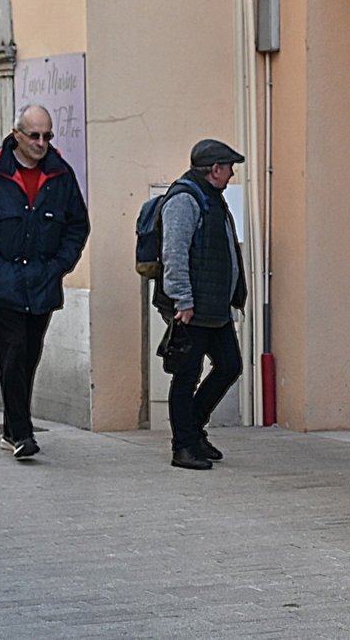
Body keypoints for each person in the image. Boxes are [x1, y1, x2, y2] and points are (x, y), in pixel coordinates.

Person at [0, 104, 90, 460]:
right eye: (34, 136)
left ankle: (11, 429)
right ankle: (23, 434)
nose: (41, 143)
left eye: (47, 136)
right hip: (4, 285)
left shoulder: (60, 175)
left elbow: (77, 226)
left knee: (28, 356)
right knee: (12, 352)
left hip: (42, 282)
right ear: (17, 135)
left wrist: (58, 266)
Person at [151, 139, 248, 470]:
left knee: (229, 365)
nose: (232, 173)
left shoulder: (211, 197)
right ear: (215, 169)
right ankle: (183, 446)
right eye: (229, 167)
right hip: (192, 308)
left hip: (214, 307)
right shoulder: (185, 200)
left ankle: (192, 430)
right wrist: (183, 300)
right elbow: (174, 253)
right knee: (186, 375)